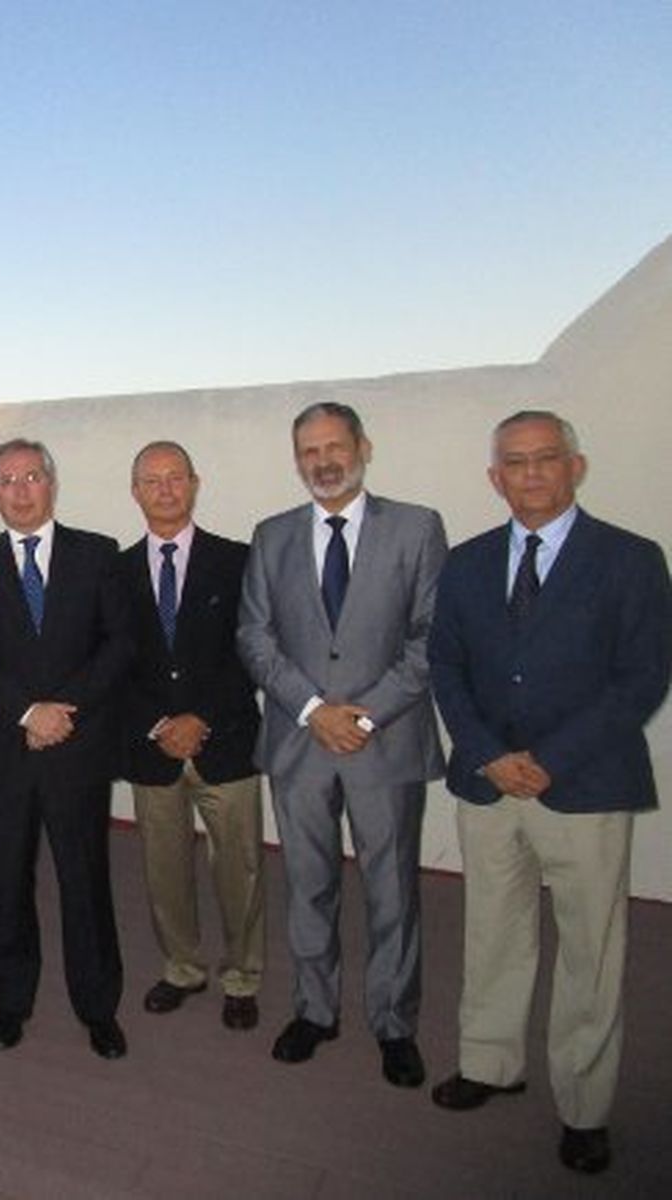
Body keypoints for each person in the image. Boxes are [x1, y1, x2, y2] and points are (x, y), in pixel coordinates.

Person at [427, 411, 671, 1176]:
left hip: (586, 783)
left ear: (576, 466)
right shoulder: (465, 563)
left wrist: (551, 759)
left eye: (546, 459)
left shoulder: (630, 559)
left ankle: (585, 1105)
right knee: (493, 931)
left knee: (590, 952)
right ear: (494, 477)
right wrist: (491, 754)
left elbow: (643, 676)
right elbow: (446, 668)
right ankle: (491, 1062)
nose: (530, 474)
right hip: (488, 783)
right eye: (514, 463)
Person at [238, 401, 446, 1088]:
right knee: (308, 884)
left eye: (334, 446)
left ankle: (393, 1021)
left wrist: (365, 715)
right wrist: (312, 709)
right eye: (308, 451)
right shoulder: (271, 536)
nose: (322, 461)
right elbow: (255, 638)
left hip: (383, 742)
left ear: (364, 446)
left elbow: (428, 638)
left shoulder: (416, 528)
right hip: (301, 743)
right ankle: (315, 1010)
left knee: (391, 888)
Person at [0, 438, 132, 1059]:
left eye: (32, 477)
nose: (21, 490)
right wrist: (28, 712)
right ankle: (12, 1000)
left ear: (52, 484)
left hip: (76, 748)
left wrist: (61, 712)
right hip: (7, 749)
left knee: (86, 881)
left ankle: (97, 1006)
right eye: (7, 480)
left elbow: (118, 644)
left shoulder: (98, 554)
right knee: (8, 881)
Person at [119, 441, 265, 1031]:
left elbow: (252, 649)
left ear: (195, 483)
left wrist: (200, 717)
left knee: (241, 868)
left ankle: (243, 975)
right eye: (150, 480)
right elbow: (115, 661)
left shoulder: (238, 560)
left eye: (174, 477)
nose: (164, 489)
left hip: (224, 740)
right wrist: (160, 725)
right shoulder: (117, 570)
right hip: (152, 750)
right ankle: (182, 967)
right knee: (164, 869)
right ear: (135, 492)